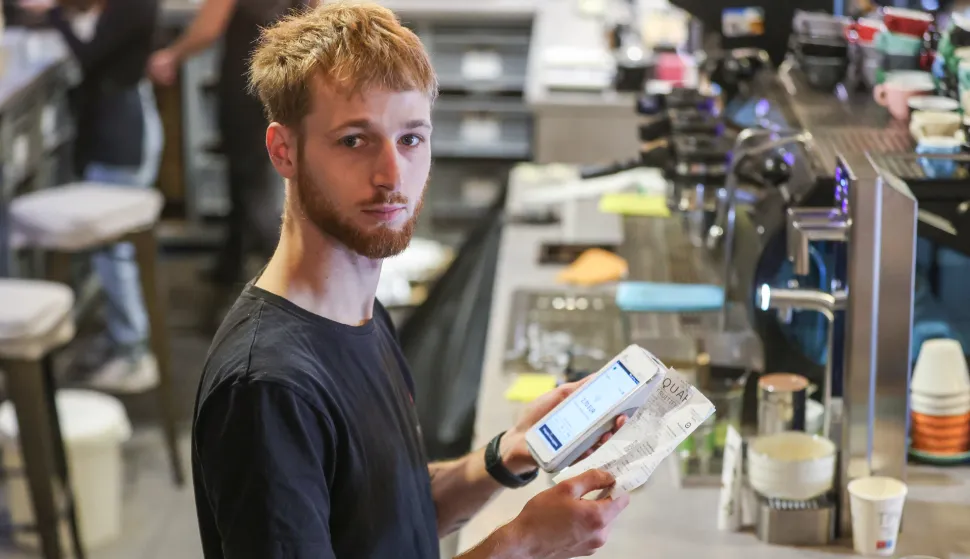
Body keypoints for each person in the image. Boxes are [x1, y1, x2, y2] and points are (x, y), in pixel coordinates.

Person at [193, 3, 632, 558]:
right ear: (284, 150)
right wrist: (520, 545)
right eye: (355, 140)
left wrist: (505, 455)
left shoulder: (358, 310)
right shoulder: (269, 391)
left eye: (411, 139)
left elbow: (384, 518)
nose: (391, 176)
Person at [19, 0, 163, 393]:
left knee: (114, 252)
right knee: (115, 252)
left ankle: (133, 351)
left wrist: (50, 13)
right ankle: (124, 340)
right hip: (125, 122)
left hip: (122, 131)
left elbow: (89, 55)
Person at [149, 0, 309, 296]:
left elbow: (208, 28)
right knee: (261, 176)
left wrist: (172, 56)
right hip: (286, 79)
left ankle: (286, 280)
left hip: (247, 81)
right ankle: (233, 263)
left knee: (248, 182)